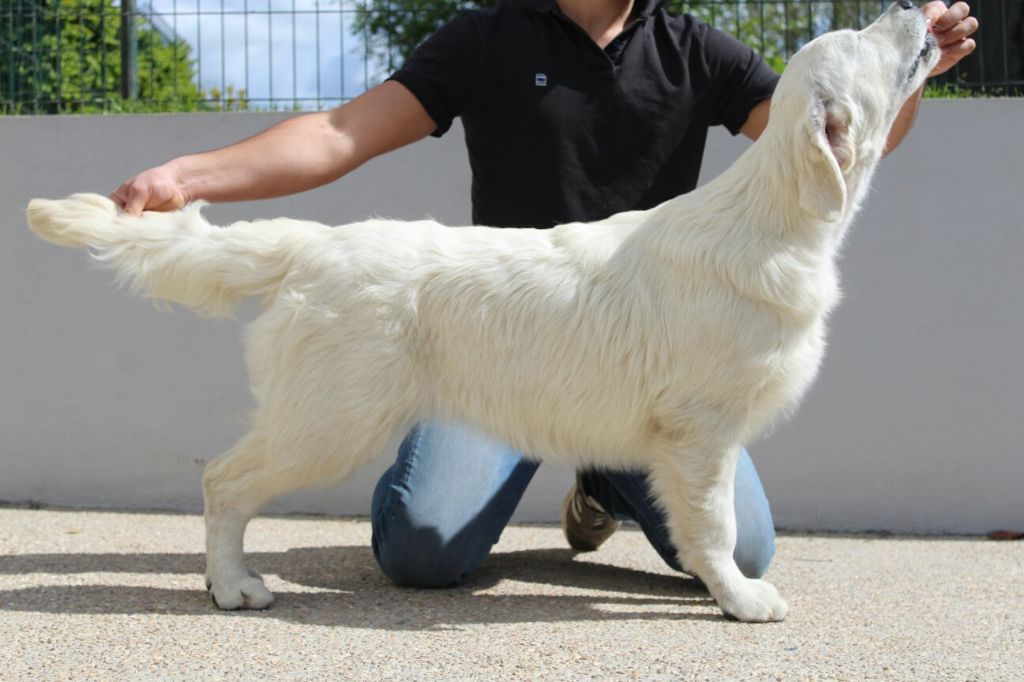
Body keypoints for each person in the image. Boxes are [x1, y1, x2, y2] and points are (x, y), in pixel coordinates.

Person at [112, 0, 977, 588]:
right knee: (420, 551)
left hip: (646, 371)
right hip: (495, 355)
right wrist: (190, 176)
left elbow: (829, 146)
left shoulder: (695, 49)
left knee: (746, 552)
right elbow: (341, 132)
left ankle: (602, 484)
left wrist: (910, 72)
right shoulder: (488, 36)